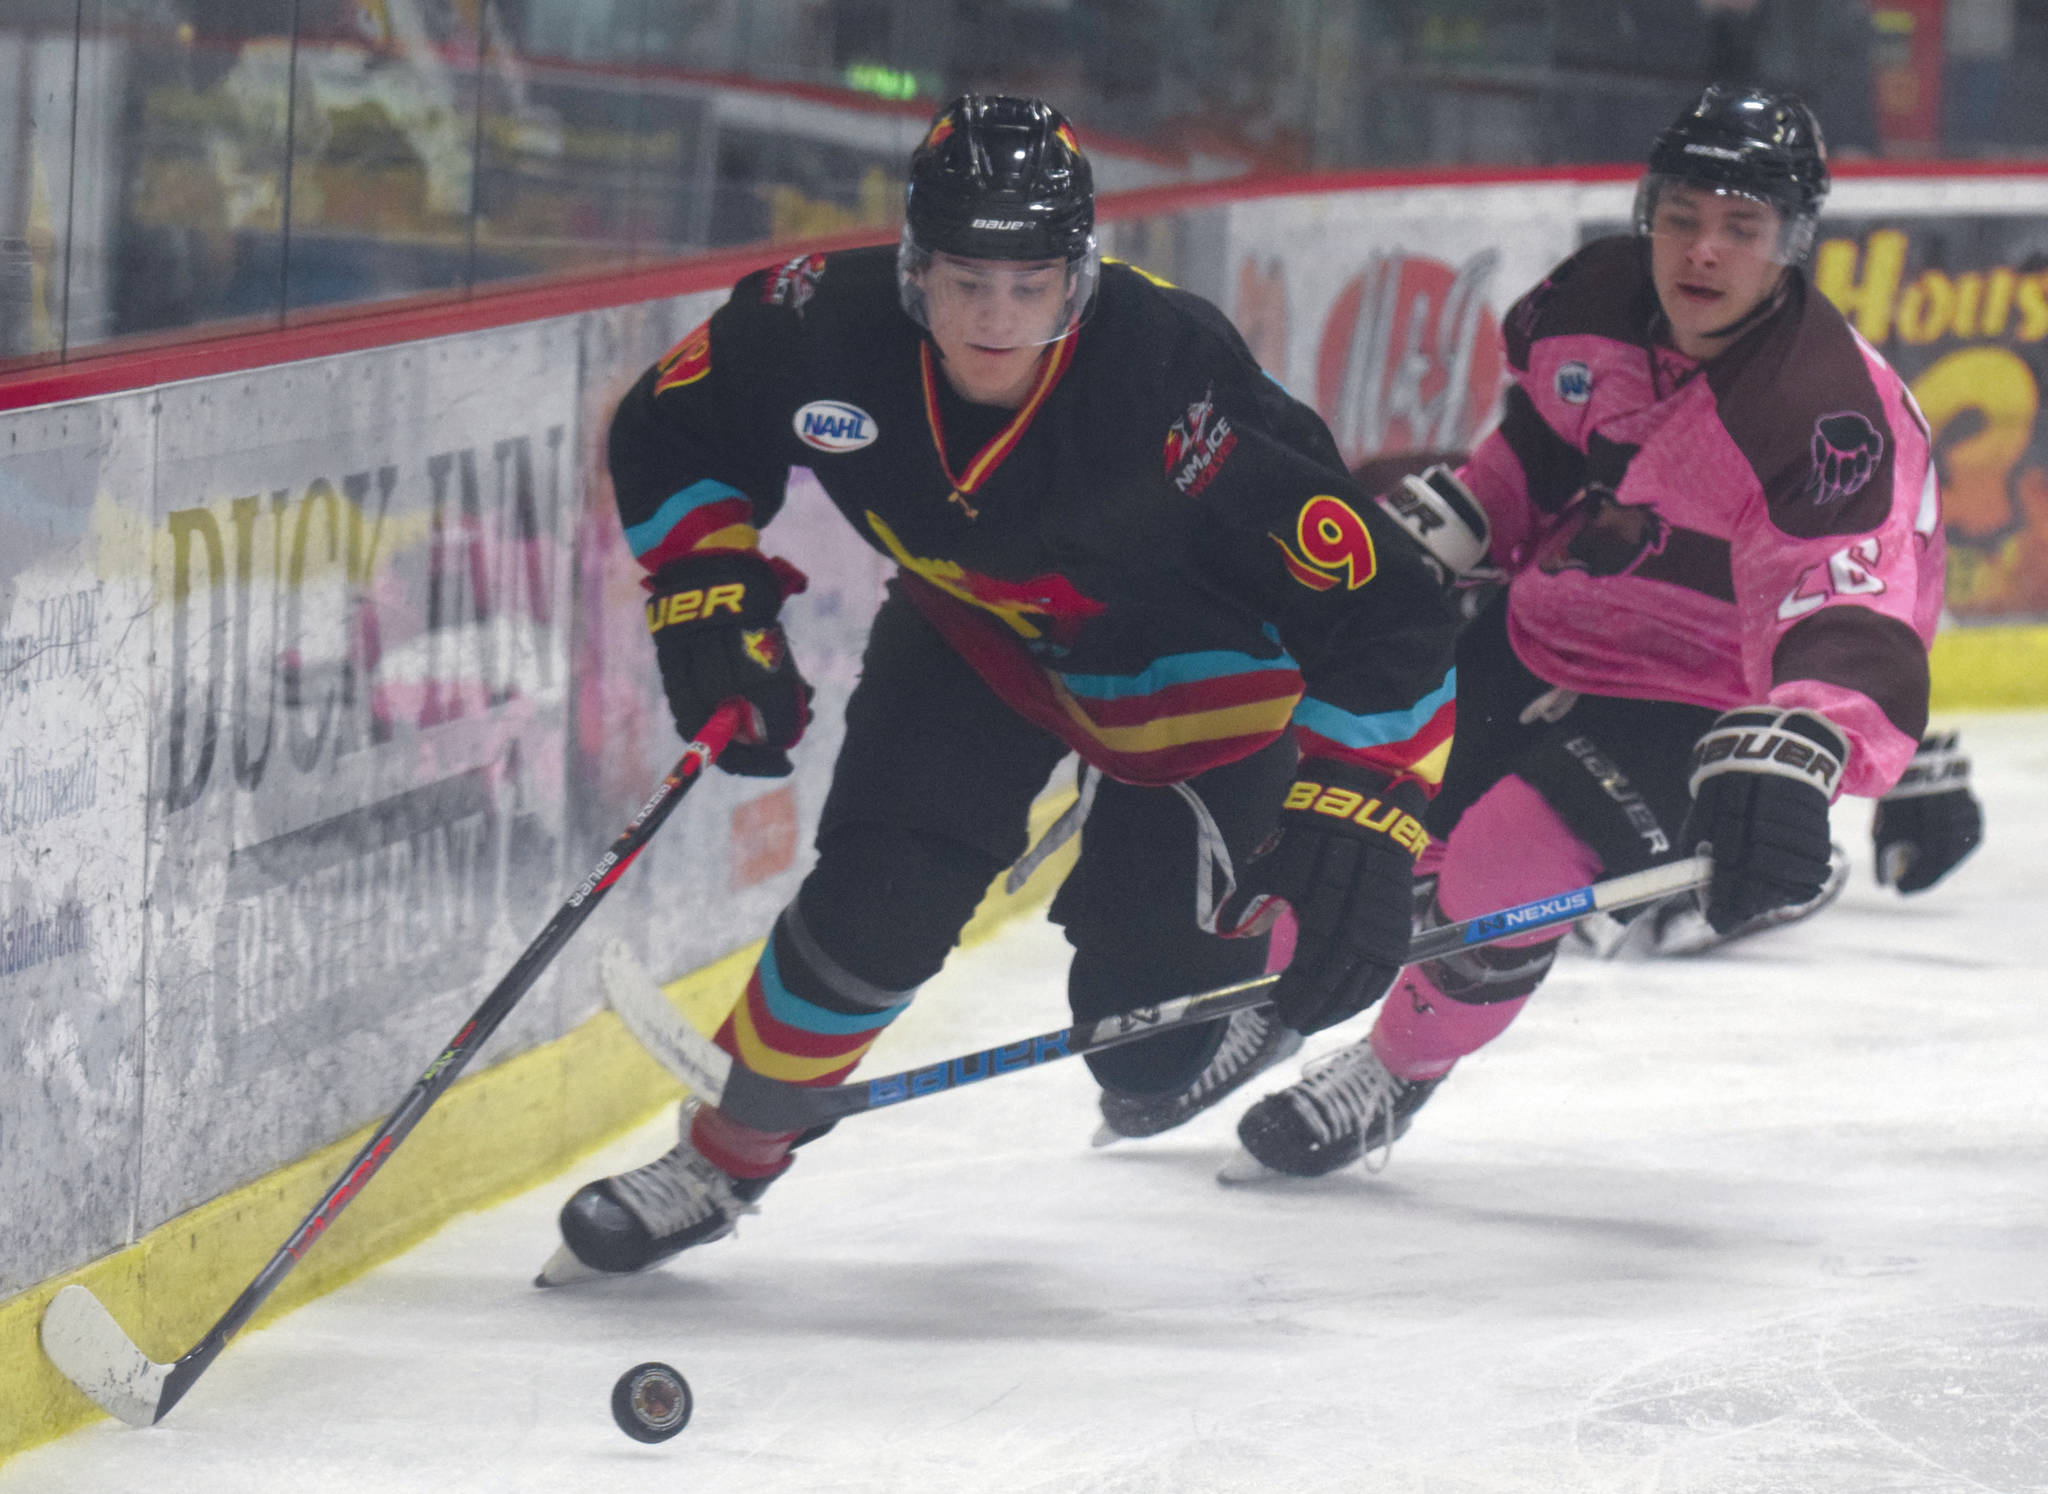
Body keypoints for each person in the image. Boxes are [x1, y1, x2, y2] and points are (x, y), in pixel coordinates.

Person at [539, 95, 1461, 1281]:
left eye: (1029, 286)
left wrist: (1361, 820)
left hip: (1205, 691)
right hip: (980, 644)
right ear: (914, 267)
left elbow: (1384, 612)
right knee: (873, 902)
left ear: (1076, 276)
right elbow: (675, 424)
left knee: (1139, 1055)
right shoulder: (818, 321)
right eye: (967, 280)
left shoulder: (1174, 388)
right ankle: (723, 1156)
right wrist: (704, 584)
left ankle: (1257, 977)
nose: (994, 317)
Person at [1221, 83, 1948, 1182]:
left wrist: (1802, 742)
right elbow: (1545, 449)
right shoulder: (1594, 303)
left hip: (1701, 689)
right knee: (1353, 823)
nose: (1701, 251)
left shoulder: (1819, 412)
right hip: (1549, 624)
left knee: (1499, 874)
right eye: (1681, 215)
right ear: (1646, 210)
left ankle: (1394, 1070)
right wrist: (1473, 511)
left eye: (1740, 228)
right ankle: (1279, 986)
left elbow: (1849, 603)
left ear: (1790, 244)